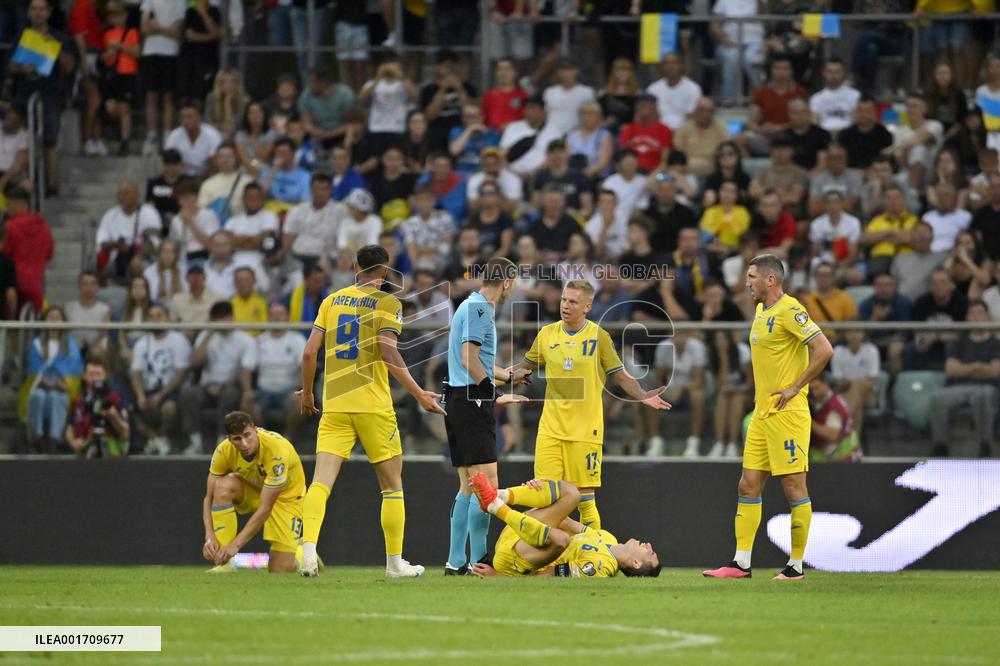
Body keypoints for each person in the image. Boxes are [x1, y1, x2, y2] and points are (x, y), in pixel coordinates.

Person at [295, 247, 443, 580]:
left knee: (320, 482)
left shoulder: (332, 301)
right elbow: (388, 353)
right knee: (392, 486)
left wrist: (307, 392)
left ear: (355, 266)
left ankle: (308, 551)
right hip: (373, 406)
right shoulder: (388, 303)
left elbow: (308, 354)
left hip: (335, 404)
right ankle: (394, 564)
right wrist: (419, 393)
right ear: (385, 272)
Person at [703, 254, 832, 581]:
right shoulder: (761, 311)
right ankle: (740, 564)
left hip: (788, 414)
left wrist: (795, 387)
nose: (747, 283)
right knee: (748, 485)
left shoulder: (791, 309)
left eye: (751, 277)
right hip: (762, 414)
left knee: (793, 487)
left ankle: (796, 567)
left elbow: (824, 349)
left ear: (770, 280)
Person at [507, 280, 671, 534]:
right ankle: (553, 553)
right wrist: (493, 376)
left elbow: (620, 374)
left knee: (584, 500)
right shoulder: (547, 334)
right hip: (550, 429)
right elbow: (524, 368)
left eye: (573, 302)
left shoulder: (599, 337)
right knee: (546, 497)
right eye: (564, 299)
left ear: (587, 306)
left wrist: (641, 395)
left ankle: (594, 548)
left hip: (585, 431)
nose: (565, 305)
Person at [442, 257, 531, 574]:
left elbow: (475, 360)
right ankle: (480, 560)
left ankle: (456, 562)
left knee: (468, 485)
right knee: (487, 483)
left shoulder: (469, 305)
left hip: (458, 399)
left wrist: (508, 376)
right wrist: (491, 392)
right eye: (513, 283)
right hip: (473, 402)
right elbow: (469, 359)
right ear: (506, 282)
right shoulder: (481, 310)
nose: (513, 289)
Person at [467, 474, 661, 578]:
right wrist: (541, 491)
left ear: (636, 563)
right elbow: (565, 520)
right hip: (518, 532)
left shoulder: (602, 567)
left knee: (562, 539)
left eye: (650, 553)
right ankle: (500, 496)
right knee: (572, 493)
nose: (649, 545)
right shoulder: (608, 537)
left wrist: (499, 577)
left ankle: (496, 506)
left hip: (516, 561)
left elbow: (549, 575)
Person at [202, 411, 306, 573]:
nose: (244, 443)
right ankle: (224, 563)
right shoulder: (224, 451)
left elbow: (266, 508)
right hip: (255, 490)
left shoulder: (277, 451)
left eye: (247, 435)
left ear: (256, 430)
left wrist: (235, 545)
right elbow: (209, 497)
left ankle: (303, 555)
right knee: (222, 486)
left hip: (286, 498)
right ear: (229, 439)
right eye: (237, 438)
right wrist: (209, 536)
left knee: (279, 570)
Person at [11, 0, 74, 195]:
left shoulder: (59, 36)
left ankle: (52, 186)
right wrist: (23, 69)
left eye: (42, 9)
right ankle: (22, 182)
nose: (38, 13)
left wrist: (55, 46)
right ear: (28, 13)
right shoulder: (22, 36)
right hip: (24, 93)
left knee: (50, 140)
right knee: (19, 138)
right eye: (34, 9)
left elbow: (69, 67)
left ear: (48, 12)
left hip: (49, 94)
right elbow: (11, 65)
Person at [180, 300, 258, 454]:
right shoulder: (206, 336)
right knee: (188, 393)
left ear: (231, 317)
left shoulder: (245, 339)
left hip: (231, 384)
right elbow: (195, 362)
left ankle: (223, 443)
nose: (221, 321)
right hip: (206, 385)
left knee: (230, 395)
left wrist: (243, 389)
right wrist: (209, 334)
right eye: (217, 318)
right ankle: (195, 442)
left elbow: (245, 369)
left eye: (224, 317)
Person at [928, 300, 999, 458]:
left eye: (980, 314)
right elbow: (950, 370)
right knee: (937, 397)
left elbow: (994, 371)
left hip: (987, 387)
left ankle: (984, 443)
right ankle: (941, 445)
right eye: (972, 314)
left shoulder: (996, 343)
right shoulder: (959, 342)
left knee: (983, 395)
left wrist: (964, 368)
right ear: (967, 317)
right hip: (960, 387)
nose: (976, 318)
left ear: (987, 317)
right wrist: (977, 366)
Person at [129, 301, 190, 455]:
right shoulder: (141, 343)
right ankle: (155, 438)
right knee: (125, 408)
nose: (155, 319)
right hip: (147, 389)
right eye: (151, 316)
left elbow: (181, 373)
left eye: (159, 315)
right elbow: (135, 373)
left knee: (169, 408)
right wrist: (140, 396)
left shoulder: (178, 340)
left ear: (168, 318)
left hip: (171, 390)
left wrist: (161, 395)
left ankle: (160, 436)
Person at [25, 306, 84, 452]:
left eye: (58, 317)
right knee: (38, 396)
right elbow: (33, 371)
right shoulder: (36, 344)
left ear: (64, 321)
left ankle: (55, 438)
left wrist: (59, 383)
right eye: (51, 317)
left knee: (56, 397)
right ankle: (37, 437)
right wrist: (46, 382)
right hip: (40, 385)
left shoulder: (71, 345)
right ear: (44, 320)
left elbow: (74, 372)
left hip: (62, 388)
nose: (54, 320)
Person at [139, 0, 184, 157]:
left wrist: (157, 28)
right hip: (150, 53)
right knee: (151, 96)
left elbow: (177, 32)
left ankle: (167, 137)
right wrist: (166, 30)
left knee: (168, 97)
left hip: (170, 53)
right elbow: (144, 28)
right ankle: (151, 137)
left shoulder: (180, 2)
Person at [256, 301, 307, 436]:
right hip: (263, 391)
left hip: (289, 390)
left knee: (300, 403)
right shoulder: (259, 340)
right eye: (273, 314)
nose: (277, 317)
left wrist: (302, 390)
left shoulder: (297, 340)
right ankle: (263, 439)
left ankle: (287, 439)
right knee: (246, 404)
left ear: (287, 317)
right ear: (268, 318)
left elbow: (305, 367)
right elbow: (247, 367)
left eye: (280, 314)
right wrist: (247, 390)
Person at [65, 352, 129, 458]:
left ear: (105, 375)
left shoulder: (116, 398)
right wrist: (73, 442)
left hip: (112, 454)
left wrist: (114, 417)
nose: (95, 379)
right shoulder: (78, 401)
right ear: (84, 376)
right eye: (91, 375)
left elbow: (126, 432)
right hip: (85, 453)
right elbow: (70, 427)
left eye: (98, 375)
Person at [740, 56, 805, 157]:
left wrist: (780, 128)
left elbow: (804, 120)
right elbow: (751, 122)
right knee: (739, 140)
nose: (780, 72)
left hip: (791, 135)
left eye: (785, 68)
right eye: (777, 68)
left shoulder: (799, 92)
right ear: (771, 70)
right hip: (766, 136)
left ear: (791, 71)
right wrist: (761, 129)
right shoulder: (761, 92)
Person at [99, 1, 140, 155]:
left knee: (125, 107)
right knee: (111, 108)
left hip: (127, 72)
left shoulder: (132, 32)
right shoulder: (106, 35)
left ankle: (125, 140)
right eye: (113, 16)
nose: (116, 18)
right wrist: (109, 52)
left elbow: (137, 53)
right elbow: (102, 58)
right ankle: (120, 129)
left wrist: (121, 47)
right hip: (112, 74)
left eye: (119, 15)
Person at [1, 187, 53, 312]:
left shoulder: (10, 227)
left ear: (19, 204)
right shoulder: (44, 228)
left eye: (8, 204)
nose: (6, 209)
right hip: (35, 285)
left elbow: (3, 254)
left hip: (13, 285)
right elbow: (49, 254)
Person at [281, 173, 341, 272]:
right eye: (316, 189)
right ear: (310, 189)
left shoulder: (340, 212)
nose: (320, 193)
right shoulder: (297, 210)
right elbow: (287, 238)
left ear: (331, 190)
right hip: (298, 257)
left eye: (324, 189)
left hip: (325, 259)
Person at [420, 49, 477, 150]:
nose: (450, 70)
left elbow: (470, 111)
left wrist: (460, 89)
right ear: (438, 67)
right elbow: (430, 116)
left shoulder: (467, 87)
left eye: (452, 66)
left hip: (460, 133)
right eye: (446, 66)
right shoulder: (429, 89)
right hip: (436, 133)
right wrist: (442, 89)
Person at [711, 0, 765, 104]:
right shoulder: (723, 1)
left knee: (751, 59)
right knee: (732, 57)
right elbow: (714, 25)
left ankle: (761, 97)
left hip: (755, 42)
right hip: (730, 42)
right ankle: (729, 101)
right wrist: (725, 40)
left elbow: (763, 14)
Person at [863, 184, 919, 278]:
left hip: (905, 257)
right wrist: (890, 233)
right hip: (880, 258)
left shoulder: (913, 220)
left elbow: (910, 239)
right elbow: (866, 239)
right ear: (884, 201)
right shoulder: (876, 220)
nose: (892, 201)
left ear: (903, 200)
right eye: (888, 198)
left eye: (896, 197)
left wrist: (881, 236)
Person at [400, 183, 457, 271]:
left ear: (434, 200)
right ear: (416, 202)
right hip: (418, 263)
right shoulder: (408, 223)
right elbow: (411, 250)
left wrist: (421, 250)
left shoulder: (445, 218)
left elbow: (445, 248)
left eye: (428, 199)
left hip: (442, 263)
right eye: (421, 200)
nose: (425, 203)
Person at [808, 373, 861, 463]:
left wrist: (809, 421)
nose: (814, 392)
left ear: (825, 384)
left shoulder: (833, 407)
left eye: (817, 388)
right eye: (811, 390)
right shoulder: (831, 399)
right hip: (842, 455)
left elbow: (833, 435)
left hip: (842, 458)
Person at [176, 0, 221, 105]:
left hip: (207, 57)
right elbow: (190, 35)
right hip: (189, 56)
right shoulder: (190, 12)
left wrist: (203, 13)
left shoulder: (214, 11)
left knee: (200, 93)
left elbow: (216, 31)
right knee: (184, 92)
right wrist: (211, 37)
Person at [298, 66, 356, 148]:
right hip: (317, 134)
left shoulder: (345, 94)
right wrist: (314, 131)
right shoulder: (306, 95)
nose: (309, 84)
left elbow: (352, 123)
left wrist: (328, 134)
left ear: (322, 83)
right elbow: (306, 121)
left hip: (340, 133)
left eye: (311, 81)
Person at [198, 143, 253, 226]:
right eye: (221, 156)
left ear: (236, 158)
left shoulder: (248, 181)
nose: (225, 160)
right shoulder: (207, 184)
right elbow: (203, 209)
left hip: (242, 226)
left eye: (229, 156)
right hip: (217, 228)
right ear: (216, 159)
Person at [673, 97, 729, 179]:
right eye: (702, 110)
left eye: (709, 111)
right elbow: (678, 151)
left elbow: (725, 150)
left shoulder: (721, 130)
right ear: (695, 111)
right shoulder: (684, 128)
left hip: (712, 169)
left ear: (713, 113)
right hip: (686, 169)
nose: (705, 114)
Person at [168, 178, 221, 264]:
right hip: (184, 259)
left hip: (205, 258)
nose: (182, 202)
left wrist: (190, 223)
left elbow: (211, 246)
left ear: (196, 197)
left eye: (187, 198)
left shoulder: (209, 215)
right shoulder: (176, 220)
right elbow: (174, 246)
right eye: (180, 199)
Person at [164, 103, 223, 178]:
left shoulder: (212, 134)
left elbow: (215, 162)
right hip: (181, 175)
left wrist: (203, 179)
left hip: (206, 175)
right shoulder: (175, 135)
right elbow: (168, 159)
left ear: (200, 118)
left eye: (189, 117)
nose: (185, 121)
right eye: (183, 118)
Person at [646, 52, 702, 132]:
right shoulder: (652, 89)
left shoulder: (693, 88)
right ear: (661, 67)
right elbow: (650, 115)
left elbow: (692, 118)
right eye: (666, 64)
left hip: (684, 132)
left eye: (674, 63)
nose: (670, 67)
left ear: (681, 66)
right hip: (658, 131)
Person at [618, 93, 672, 174]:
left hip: (656, 174)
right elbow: (623, 158)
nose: (644, 106)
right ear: (636, 107)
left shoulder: (665, 130)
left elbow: (665, 161)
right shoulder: (627, 129)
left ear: (655, 107)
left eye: (648, 104)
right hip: (632, 174)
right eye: (641, 104)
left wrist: (652, 176)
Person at [838, 95, 894, 170]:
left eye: (867, 111)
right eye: (860, 110)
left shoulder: (884, 135)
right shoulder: (845, 135)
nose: (863, 114)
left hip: (876, 172)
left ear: (874, 112)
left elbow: (885, 161)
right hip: (850, 173)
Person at [542, 58, 595, 136]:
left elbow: (592, 115)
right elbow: (545, 114)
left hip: (578, 134)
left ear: (577, 71)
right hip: (552, 133)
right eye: (563, 70)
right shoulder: (549, 92)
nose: (567, 74)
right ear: (558, 72)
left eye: (570, 70)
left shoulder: (587, 92)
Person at [808, 58, 860, 135]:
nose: (833, 75)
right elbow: (814, 124)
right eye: (829, 71)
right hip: (824, 137)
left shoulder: (855, 95)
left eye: (837, 72)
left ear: (843, 72)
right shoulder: (815, 98)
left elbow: (857, 122)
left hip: (849, 136)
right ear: (824, 72)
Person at [65, 270, 111, 354]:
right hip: (72, 348)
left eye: (92, 284)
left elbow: (103, 333)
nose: (89, 288)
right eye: (85, 284)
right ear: (79, 286)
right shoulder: (68, 308)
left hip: (96, 347)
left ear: (98, 286)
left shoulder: (105, 309)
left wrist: (92, 344)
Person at [699, 180, 750, 253]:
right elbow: (705, 233)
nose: (728, 194)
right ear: (719, 193)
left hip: (735, 249)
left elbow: (742, 234)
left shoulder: (743, 212)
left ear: (736, 195)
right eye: (725, 190)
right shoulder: (710, 211)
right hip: (712, 249)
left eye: (732, 191)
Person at [922, 183, 972, 254]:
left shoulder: (965, 216)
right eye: (941, 195)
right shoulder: (927, 217)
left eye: (947, 195)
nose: (944, 198)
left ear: (955, 196)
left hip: (955, 253)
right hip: (930, 255)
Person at [482, 58, 528, 131]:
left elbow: (527, 121)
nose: (503, 73)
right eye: (500, 69)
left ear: (515, 72)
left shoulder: (524, 96)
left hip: (516, 134)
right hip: (492, 135)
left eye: (507, 69)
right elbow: (484, 120)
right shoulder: (488, 96)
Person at [146, 148, 183, 230]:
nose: (170, 167)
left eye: (174, 164)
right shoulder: (153, 184)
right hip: (159, 224)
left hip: (183, 225)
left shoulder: (187, 184)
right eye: (167, 164)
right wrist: (164, 215)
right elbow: (149, 208)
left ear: (180, 165)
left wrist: (177, 218)